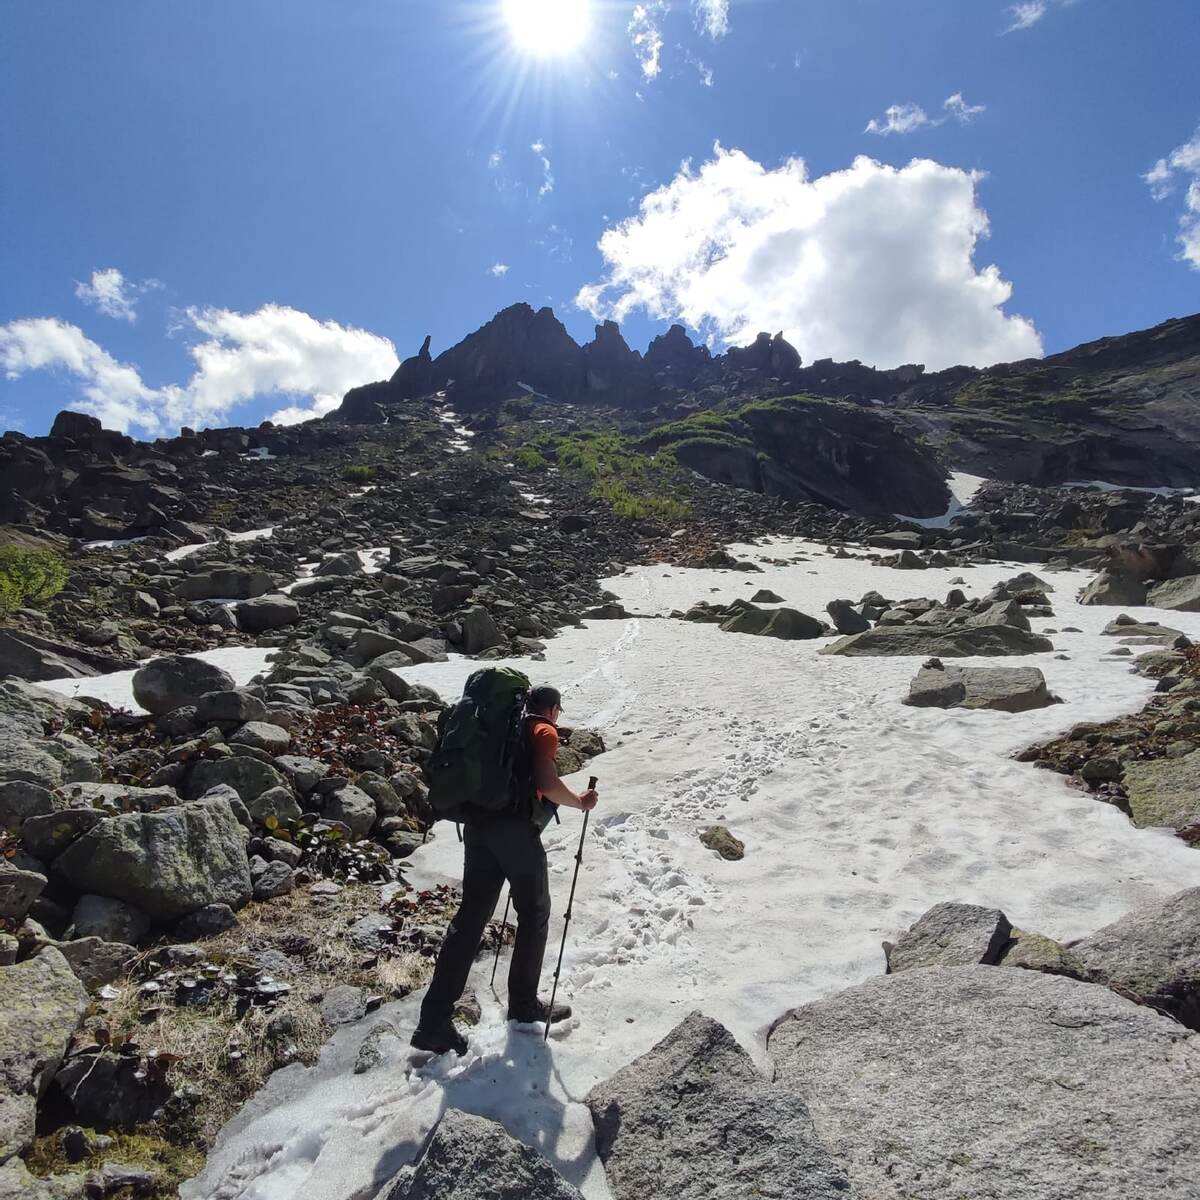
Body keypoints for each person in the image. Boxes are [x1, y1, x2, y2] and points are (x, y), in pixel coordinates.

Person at [411, 683, 600, 1055]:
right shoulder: (543, 730)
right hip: (513, 830)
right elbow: (546, 783)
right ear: (554, 709)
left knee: (469, 920)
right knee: (535, 912)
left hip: (478, 827)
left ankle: (432, 1022)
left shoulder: (502, 728)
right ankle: (524, 1006)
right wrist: (580, 801)